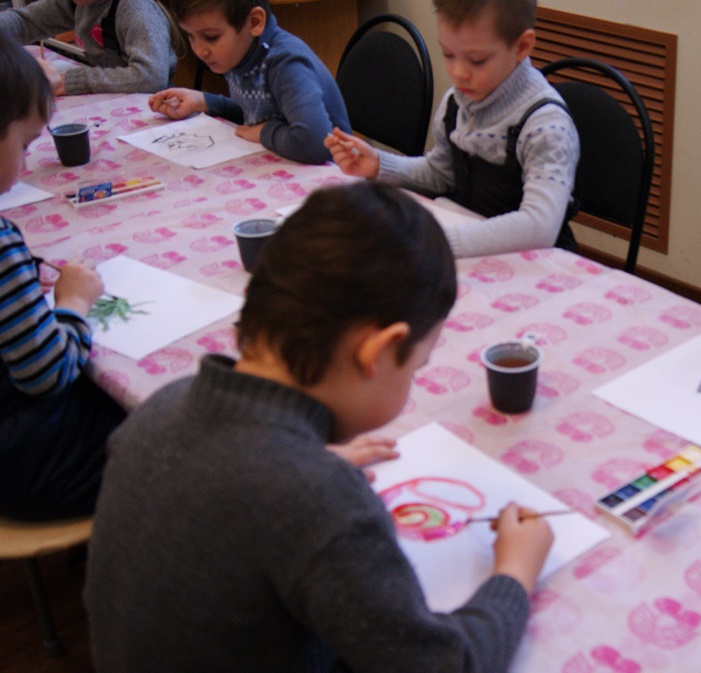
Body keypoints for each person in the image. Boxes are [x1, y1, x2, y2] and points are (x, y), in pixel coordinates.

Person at [85, 181, 555, 672]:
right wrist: (515, 572)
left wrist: (301, 454)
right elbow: (446, 666)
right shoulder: (317, 500)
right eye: (416, 368)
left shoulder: (164, 406)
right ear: (376, 352)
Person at [324, 0, 579, 259]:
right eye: (448, 54)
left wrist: (441, 241)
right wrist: (380, 164)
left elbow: (539, 226)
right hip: (475, 248)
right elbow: (441, 174)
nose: (458, 73)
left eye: (476, 60)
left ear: (522, 46)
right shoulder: (456, 103)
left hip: (539, 263)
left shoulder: (546, 126)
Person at [0, 37, 126, 521]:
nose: (27, 163)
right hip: (27, 464)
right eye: (24, 145)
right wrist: (72, 302)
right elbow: (47, 372)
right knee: (162, 427)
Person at [147, 0, 349, 165]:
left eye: (211, 37)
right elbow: (259, 112)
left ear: (254, 22)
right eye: (190, 36)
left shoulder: (286, 65)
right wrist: (204, 101)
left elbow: (315, 143)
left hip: (332, 179)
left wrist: (265, 133)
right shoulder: (241, 50)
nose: (199, 50)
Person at [0, 0, 177, 95]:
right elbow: (25, 21)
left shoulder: (137, 8)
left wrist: (71, 81)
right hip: (115, 99)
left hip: (151, 104)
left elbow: (150, 77)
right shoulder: (79, 3)